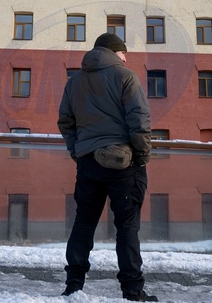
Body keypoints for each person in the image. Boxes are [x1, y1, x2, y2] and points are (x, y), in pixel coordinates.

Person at [57, 33, 158, 302]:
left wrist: (78, 151)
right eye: (123, 53)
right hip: (123, 163)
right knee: (127, 227)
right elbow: (139, 119)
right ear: (114, 52)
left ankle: (74, 285)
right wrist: (142, 155)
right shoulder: (126, 77)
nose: (125, 59)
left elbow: (65, 121)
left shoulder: (74, 81)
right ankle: (132, 291)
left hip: (88, 163)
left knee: (84, 222)